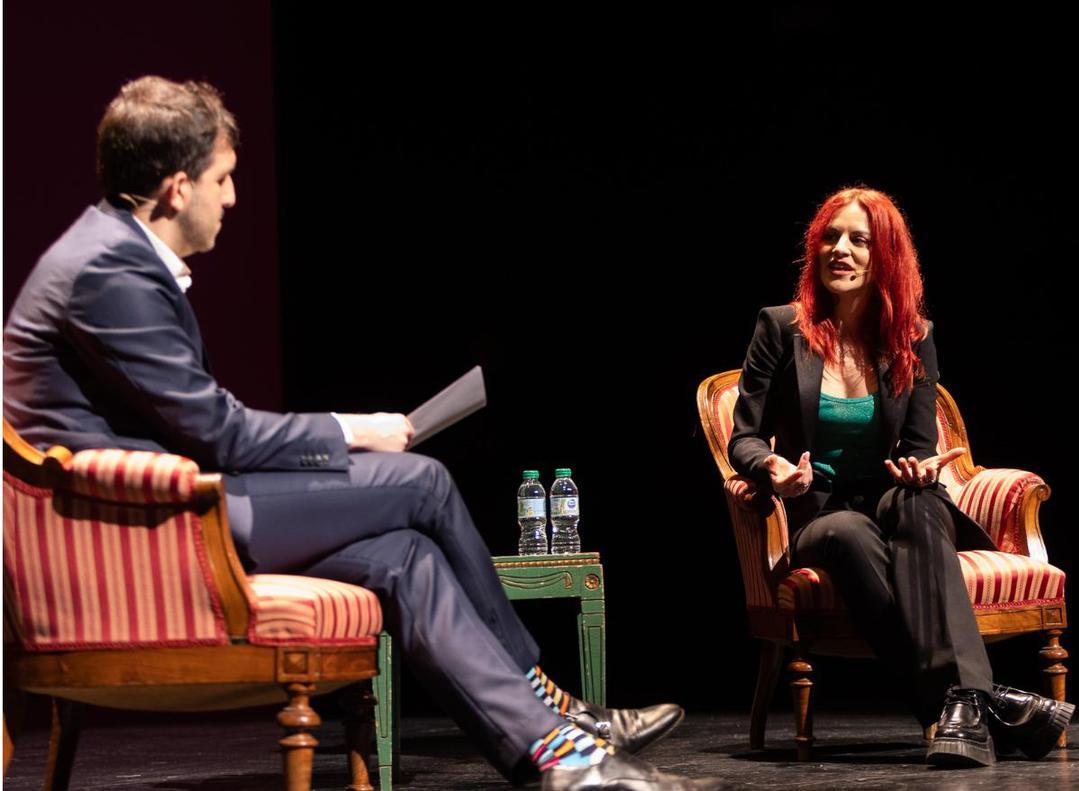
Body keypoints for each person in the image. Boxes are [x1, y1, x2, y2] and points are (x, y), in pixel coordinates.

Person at [3, 75, 722, 790]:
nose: (232, 197)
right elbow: (216, 431)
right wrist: (357, 428)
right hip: (144, 532)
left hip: (170, 509)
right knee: (421, 479)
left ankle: (561, 760)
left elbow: (198, 424)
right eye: (222, 179)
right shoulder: (109, 270)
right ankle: (552, 704)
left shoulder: (110, 252)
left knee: (404, 555)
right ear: (176, 187)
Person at [727, 186, 1075, 767]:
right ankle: (983, 702)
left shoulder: (913, 336)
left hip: (893, 496)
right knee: (847, 533)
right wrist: (773, 467)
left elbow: (917, 447)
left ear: (884, 255)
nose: (840, 249)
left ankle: (960, 709)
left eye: (858, 240)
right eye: (830, 237)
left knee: (921, 503)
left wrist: (919, 467)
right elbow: (742, 436)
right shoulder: (780, 329)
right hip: (821, 511)